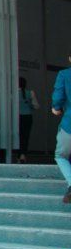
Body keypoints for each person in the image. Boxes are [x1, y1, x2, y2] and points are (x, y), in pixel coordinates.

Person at [52, 57, 71, 203]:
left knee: (61, 155)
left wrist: (56, 108)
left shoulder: (64, 74)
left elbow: (58, 97)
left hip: (69, 124)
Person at [18, 77, 38, 163]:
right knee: (25, 136)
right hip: (28, 117)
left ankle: (18, 155)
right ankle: (23, 154)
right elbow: (36, 106)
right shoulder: (30, 93)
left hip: (17, 118)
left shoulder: (13, 93)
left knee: (18, 136)